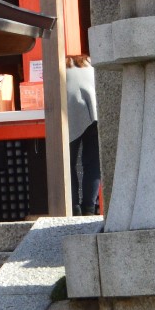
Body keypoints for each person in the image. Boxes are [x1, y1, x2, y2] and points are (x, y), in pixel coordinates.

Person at [66, 53, 101, 216]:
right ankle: (89, 207)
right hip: (93, 112)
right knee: (93, 163)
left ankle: (73, 207)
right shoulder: (89, 64)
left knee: (67, 163)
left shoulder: (60, 67)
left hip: (70, 114)